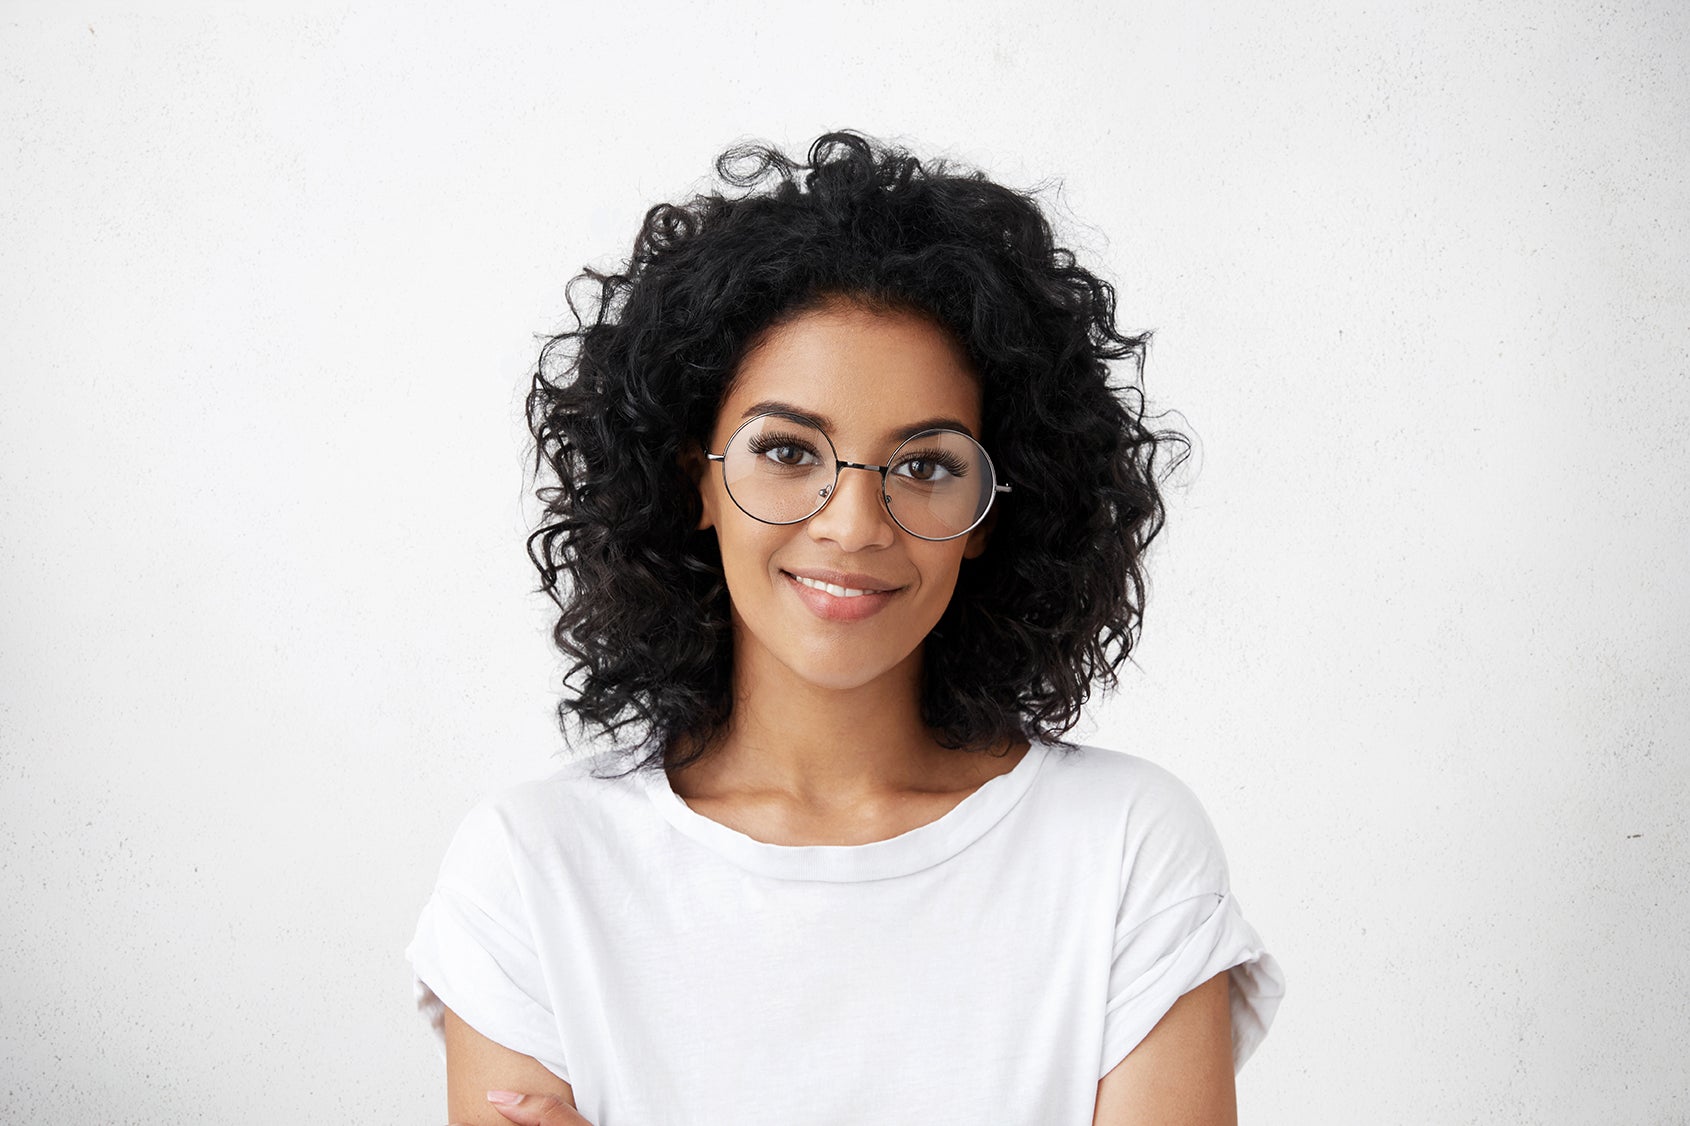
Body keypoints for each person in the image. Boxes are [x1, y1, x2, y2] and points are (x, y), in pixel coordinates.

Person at [406, 130, 1284, 1126]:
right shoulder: (531, 870)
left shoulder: (1124, 851)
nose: (853, 523)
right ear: (692, 476)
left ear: (991, 516)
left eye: (926, 464)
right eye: (787, 449)